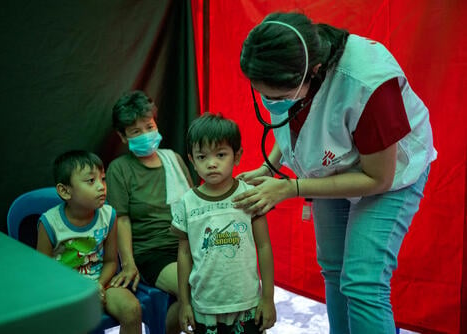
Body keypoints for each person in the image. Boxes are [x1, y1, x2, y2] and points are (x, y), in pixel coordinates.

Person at [235, 11, 437, 334]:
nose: (270, 103)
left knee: (362, 282)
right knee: (333, 267)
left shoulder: (368, 84)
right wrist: (268, 168)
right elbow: (292, 122)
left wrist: (292, 188)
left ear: (312, 72)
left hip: (391, 174)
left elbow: (378, 178)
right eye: (263, 94)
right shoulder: (293, 73)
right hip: (332, 167)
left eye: (279, 97)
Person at [172, 113, 276, 334]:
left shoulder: (250, 196)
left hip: (247, 304)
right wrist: (184, 303)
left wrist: (268, 299)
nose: (211, 164)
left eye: (220, 155)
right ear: (192, 160)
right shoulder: (187, 203)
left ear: (237, 156)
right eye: (202, 157)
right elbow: (184, 255)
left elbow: (264, 246)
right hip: (205, 307)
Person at [106, 90, 194, 334]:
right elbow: (120, 220)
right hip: (152, 253)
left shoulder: (173, 159)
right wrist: (129, 264)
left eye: (149, 126)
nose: (145, 135)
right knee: (196, 286)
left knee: (228, 282)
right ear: (123, 137)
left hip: (188, 244)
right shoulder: (120, 169)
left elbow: (194, 202)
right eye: (135, 131)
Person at [36, 150, 142, 334]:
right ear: (65, 191)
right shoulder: (50, 223)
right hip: (64, 289)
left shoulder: (109, 215)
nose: (101, 187)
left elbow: (110, 262)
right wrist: (79, 292)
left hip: (100, 282)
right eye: (91, 181)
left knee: (132, 309)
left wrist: (98, 285)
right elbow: (43, 272)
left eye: (103, 179)